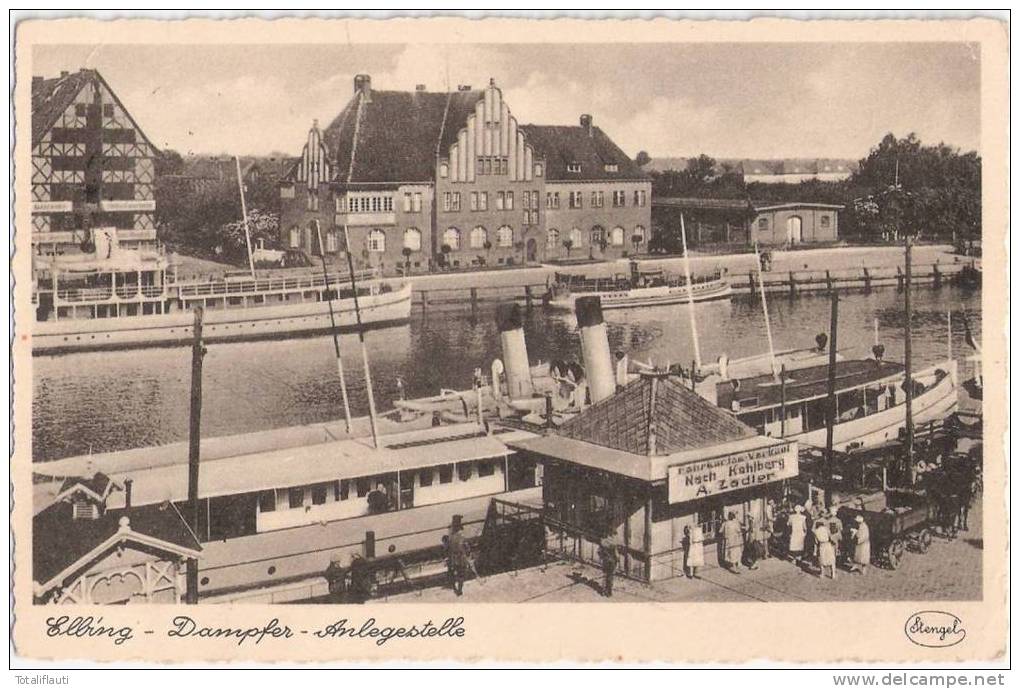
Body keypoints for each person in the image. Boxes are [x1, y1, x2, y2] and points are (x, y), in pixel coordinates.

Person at [447, 523, 471, 596]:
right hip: (461, 558)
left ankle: (455, 588)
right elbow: (466, 546)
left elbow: (449, 547)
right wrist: (468, 553)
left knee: (455, 573)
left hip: (454, 558)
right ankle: (459, 589)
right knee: (461, 574)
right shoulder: (461, 536)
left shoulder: (451, 536)